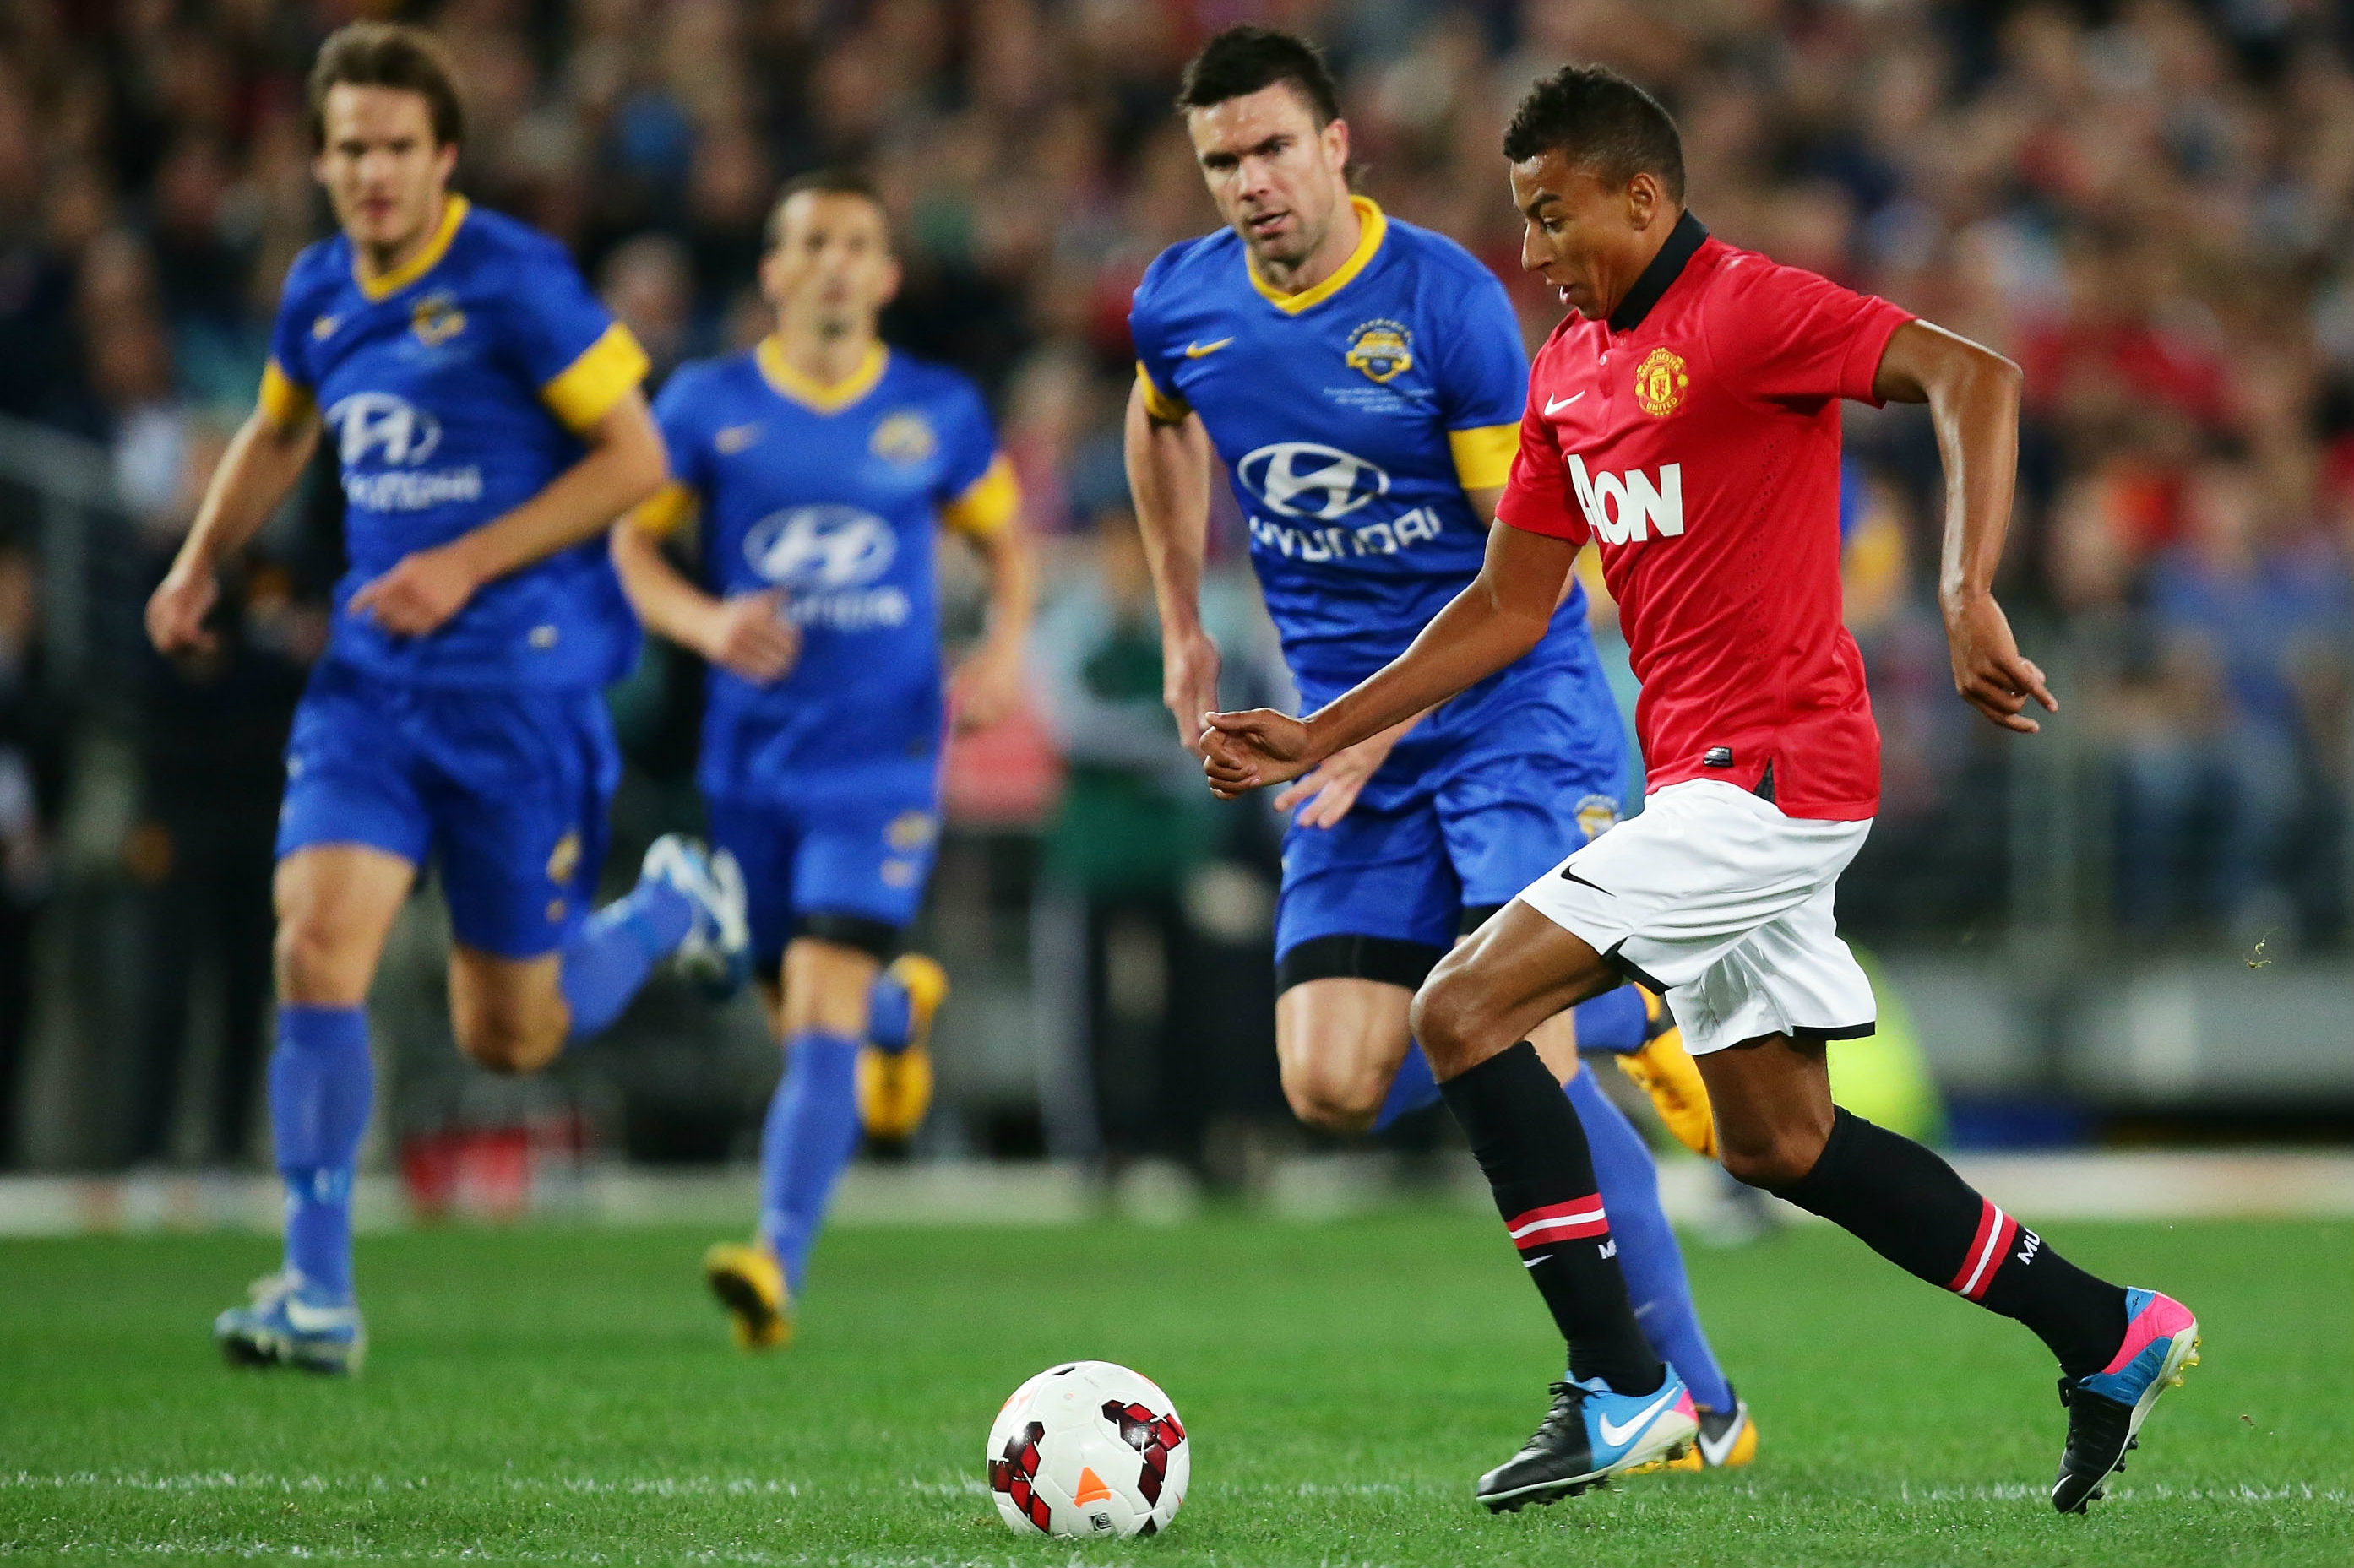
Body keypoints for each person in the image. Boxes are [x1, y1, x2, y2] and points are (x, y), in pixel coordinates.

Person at [1199, 64, 2199, 1513]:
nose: (1534, 253)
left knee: (1463, 1007)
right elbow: (1504, 604)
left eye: (1554, 218)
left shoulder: (1747, 309)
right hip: (1700, 784)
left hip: (1776, 776)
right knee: (1777, 1140)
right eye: (1523, 221)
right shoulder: (1567, 370)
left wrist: (1965, 591)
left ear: (1643, 196)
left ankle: (1621, 1382)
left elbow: (1973, 374)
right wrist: (1321, 728)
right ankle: (2107, 1330)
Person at [1126, 25, 1753, 1469]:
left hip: (1507, 715)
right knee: (1331, 1083)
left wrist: (1372, 721)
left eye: (1275, 148)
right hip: (1340, 738)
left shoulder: (1446, 308)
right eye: (1223, 160)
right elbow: (1157, 424)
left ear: (1337, 144)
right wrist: (1183, 622)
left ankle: (1698, 1404)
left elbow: (1536, 581)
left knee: (1510, 1044)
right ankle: (1622, 1020)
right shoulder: (1183, 303)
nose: (1252, 183)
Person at [144, 22, 749, 1375]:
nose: (372, 171)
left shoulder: (515, 280)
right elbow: (281, 428)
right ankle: (317, 1287)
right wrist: (200, 563)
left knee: (511, 1030)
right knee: (317, 938)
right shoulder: (316, 291)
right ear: (317, 156)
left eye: (397, 147)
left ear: (445, 156)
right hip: (374, 686)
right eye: (349, 147)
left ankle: (666, 907)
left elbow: (637, 454)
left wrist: (465, 560)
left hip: (520, 696)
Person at [612, 170, 1035, 1351]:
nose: (836, 262)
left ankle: (774, 1260)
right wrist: (702, 624)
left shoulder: (937, 408)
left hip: (882, 750)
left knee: (814, 999)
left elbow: (1008, 550)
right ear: (774, 271)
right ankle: (898, 1016)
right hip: (750, 755)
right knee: (789, 991)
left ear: (888, 273)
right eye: (812, 242)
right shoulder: (704, 404)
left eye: (858, 241)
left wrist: (1001, 654)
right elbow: (629, 548)